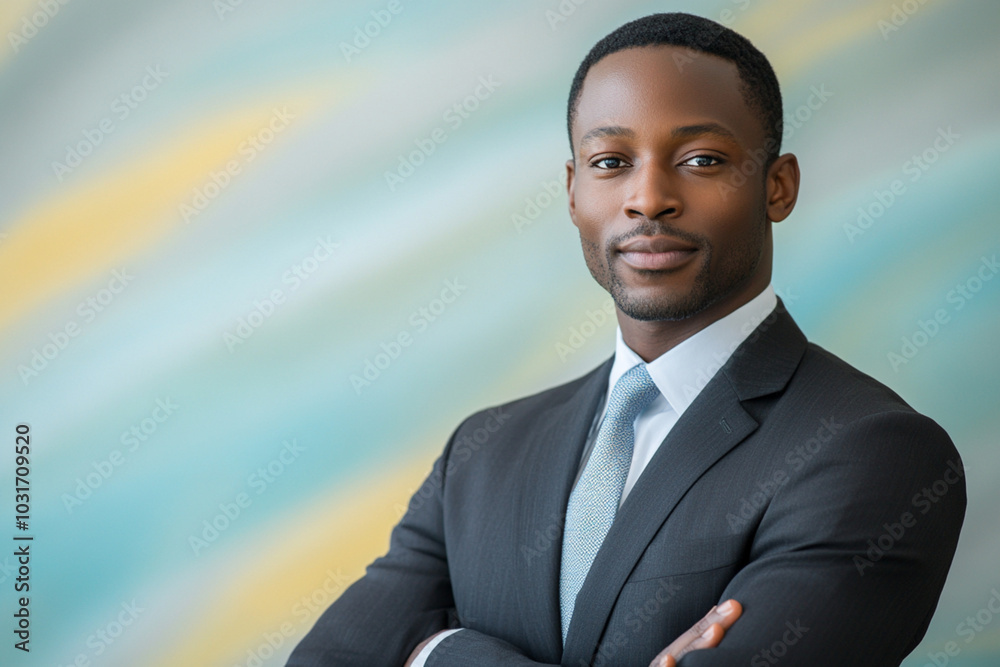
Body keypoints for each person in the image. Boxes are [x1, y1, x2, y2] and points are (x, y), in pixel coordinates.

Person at [287, 12, 966, 666]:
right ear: (573, 190)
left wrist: (438, 651)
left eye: (701, 159)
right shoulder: (483, 451)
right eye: (611, 161)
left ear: (778, 187)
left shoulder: (872, 451)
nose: (648, 198)